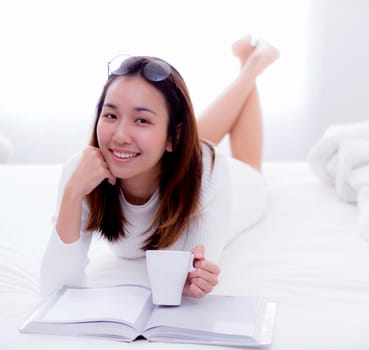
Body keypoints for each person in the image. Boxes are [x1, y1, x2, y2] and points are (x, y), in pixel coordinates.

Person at [40, 35, 280, 298]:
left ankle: (253, 66)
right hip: (168, 156)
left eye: (141, 119)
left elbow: (195, 269)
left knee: (246, 163)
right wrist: (72, 193)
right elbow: (54, 288)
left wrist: (193, 280)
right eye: (110, 115)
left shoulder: (209, 174)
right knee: (176, 143)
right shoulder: (82, 172)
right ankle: (251, 63)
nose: (119, 134)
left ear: (174, 138)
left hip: (243, 187)